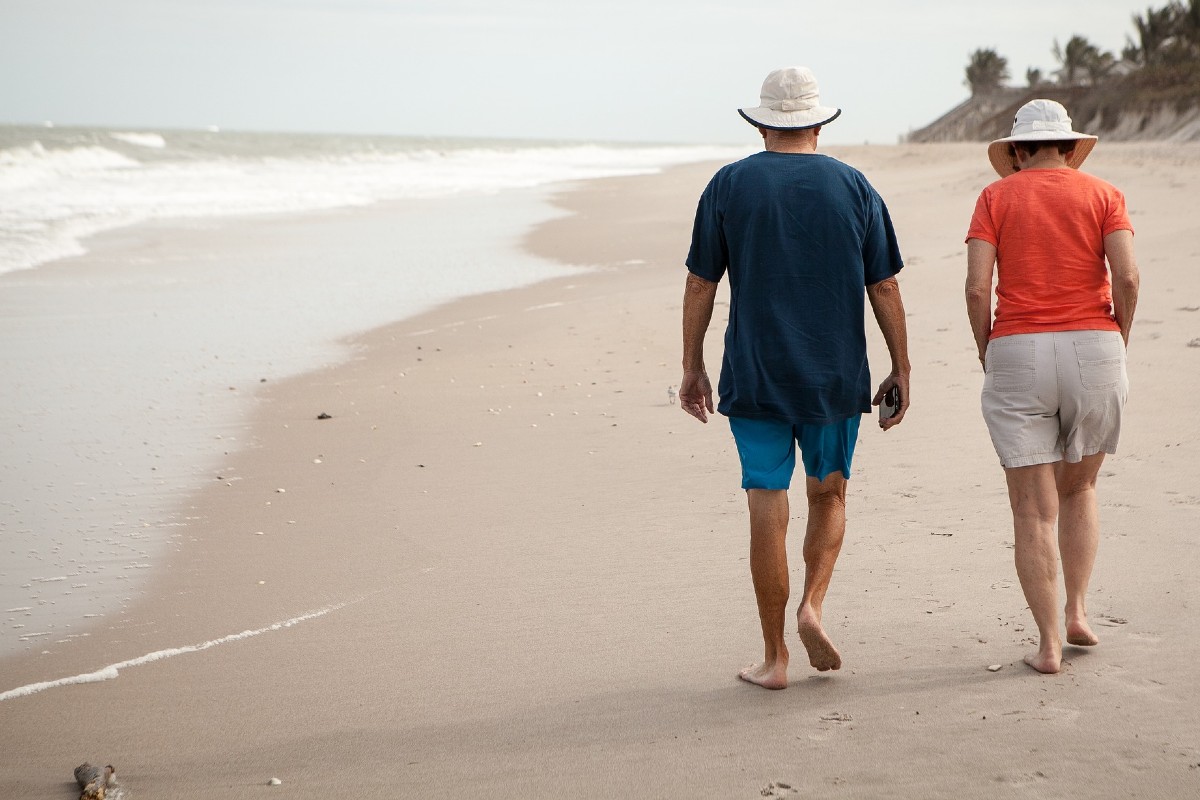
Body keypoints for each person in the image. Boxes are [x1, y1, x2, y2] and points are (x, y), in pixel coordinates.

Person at [680, 66, 911, 690]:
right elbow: (883, 284)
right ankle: (813, 604)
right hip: (834, 376)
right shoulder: (854, 186)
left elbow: (702, 281)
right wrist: (902, 366)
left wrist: (691, 365)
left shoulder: (728, 185)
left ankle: (775, 656)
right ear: (818, 122)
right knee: (829, 494)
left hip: (754, 373)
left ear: (760, 124)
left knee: (766, 503)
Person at [964, 99, 1140, 674]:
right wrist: (1120, 336)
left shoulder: (995, 197)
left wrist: (988, 350)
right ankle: (1078, 612)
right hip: (1095, 344)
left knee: (1032, 511)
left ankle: (1046, 646)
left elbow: (976, 288)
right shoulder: (1104, 195)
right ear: (1069, 147)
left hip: (1018, 347)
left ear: (1016, 151)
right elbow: (1128, 276)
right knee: (1080, 489)